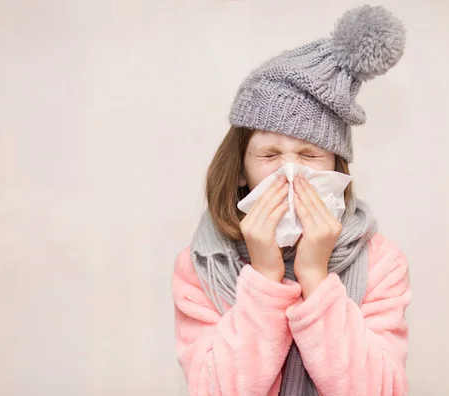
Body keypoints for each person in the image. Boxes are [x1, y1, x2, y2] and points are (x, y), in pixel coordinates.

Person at [172, 4, 412, 396]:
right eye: (269, 155)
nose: (291, 174)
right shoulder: (200, 267)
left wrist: (315, 278)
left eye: (309, 155)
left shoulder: (382, 263)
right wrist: (266, 277)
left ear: (337, 167)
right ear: (238, 171)